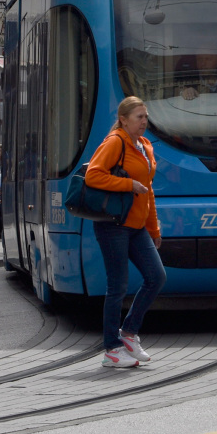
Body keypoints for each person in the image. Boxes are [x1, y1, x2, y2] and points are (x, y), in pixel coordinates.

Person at [86, 96, 166, 369]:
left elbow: (149, 190)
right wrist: (128, 184)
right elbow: (93, 176)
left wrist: (153, 227)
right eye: (139, 117)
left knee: (156, 277)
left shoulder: (144, 146)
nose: (144, 122)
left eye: (145, 117)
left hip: (137, 226)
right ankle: (111, 349)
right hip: (113, 225)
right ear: (123, 119)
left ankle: (129, 333)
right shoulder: (115, 142)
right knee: (117, 286)